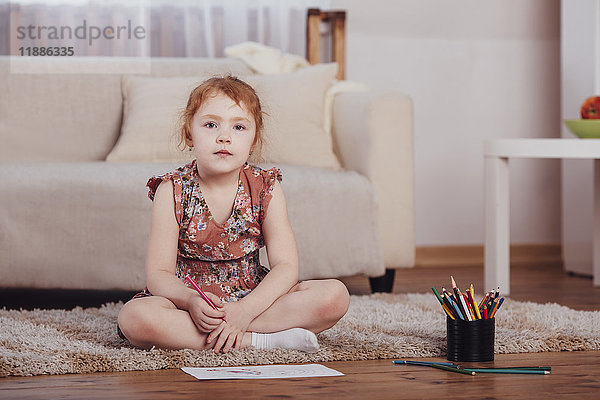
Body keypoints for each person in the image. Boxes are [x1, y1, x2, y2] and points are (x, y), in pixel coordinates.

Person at [117, 76, 350, 354]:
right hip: (192, 303)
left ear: (254, 141)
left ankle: (229, 333)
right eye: (211, 124)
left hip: (253, 298)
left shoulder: (266, 187)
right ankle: (262, 340)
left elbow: (286, 267)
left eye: (238, 127)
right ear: (189, 134)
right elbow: (159, 273)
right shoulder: (172, 190)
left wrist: (244, 311)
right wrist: (191, 301)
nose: (224, 136)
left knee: (335, 296)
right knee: (135, 318)